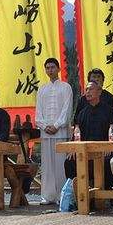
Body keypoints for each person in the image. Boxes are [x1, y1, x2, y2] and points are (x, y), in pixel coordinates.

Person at [65, 82, 113, 195]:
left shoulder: (109, 111)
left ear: (99, 92)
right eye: (86, 90)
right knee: (69, 161)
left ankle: (106, 196)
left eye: (91, 89)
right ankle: (77, 193)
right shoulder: (82, 113)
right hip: (86, 151)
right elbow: (77, 134)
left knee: (108, 161)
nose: (87, 92)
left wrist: (109, 146)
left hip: (105, 150)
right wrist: (74, 148)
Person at [35, 57, 73, 205]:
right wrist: (44, 126)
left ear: (58, 69)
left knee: (60, 165)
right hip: (46, 133)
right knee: (47, 166)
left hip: (61, 132)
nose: (50, 70)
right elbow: (38, 112)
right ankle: (47, 195)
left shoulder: (66, 87)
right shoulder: (42, 89)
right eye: (47, 68)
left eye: (52, 67)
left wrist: (57, 125)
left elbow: (67, 109)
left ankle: (61, 196)